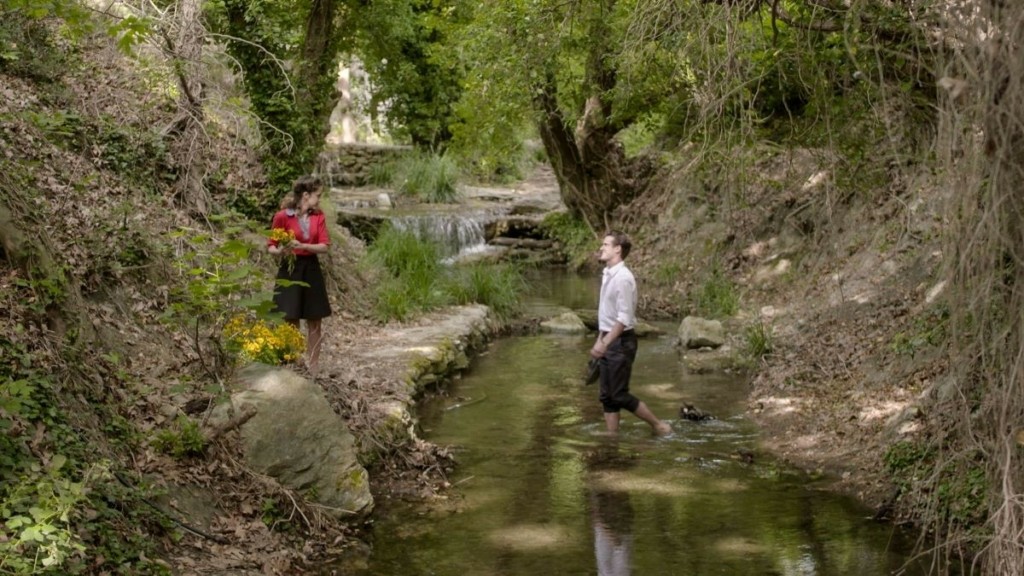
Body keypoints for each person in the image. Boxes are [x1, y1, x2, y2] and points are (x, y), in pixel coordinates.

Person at [590, 231, 672, 435]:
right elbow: (607, 315)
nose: (601, 247)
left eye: (606, 244)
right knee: (606, 396)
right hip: (609, 339)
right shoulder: (608, 274)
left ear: (618, 249)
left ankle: (659, 426)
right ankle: (612, 438)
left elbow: (624, 318)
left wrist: (605, 342)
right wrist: (599, 340)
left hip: (621, 342)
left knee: (618, 394)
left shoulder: (623, 278)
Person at [267, 175, 332, 376]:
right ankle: (294, 362)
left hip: (311, 268)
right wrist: (281, 251)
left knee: (315, 319)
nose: (319, 199)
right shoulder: (282, 217)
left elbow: (324, 246)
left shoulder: (318, 216)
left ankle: (313, 367)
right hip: (289, 268)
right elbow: (271, 247)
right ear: (306, 195)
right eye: (317, 195)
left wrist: (303, 246)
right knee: (290, 316)